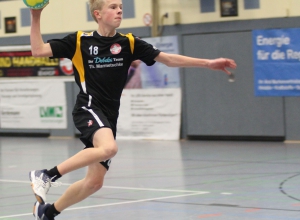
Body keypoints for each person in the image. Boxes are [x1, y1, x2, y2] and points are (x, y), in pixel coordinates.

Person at [28, 0, 237, 219]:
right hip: (88, 107)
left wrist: (207, 63)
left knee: (94, 182)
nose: (119, 10)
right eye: (113, 6)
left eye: (120, 6)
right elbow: (38, 50)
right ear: (97, 14)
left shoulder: (129, 42)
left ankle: (47, 212)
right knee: (109, 148)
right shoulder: (80, 41)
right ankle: (46, 175)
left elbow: (169, 59)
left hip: (109, 116)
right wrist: (36, 15)